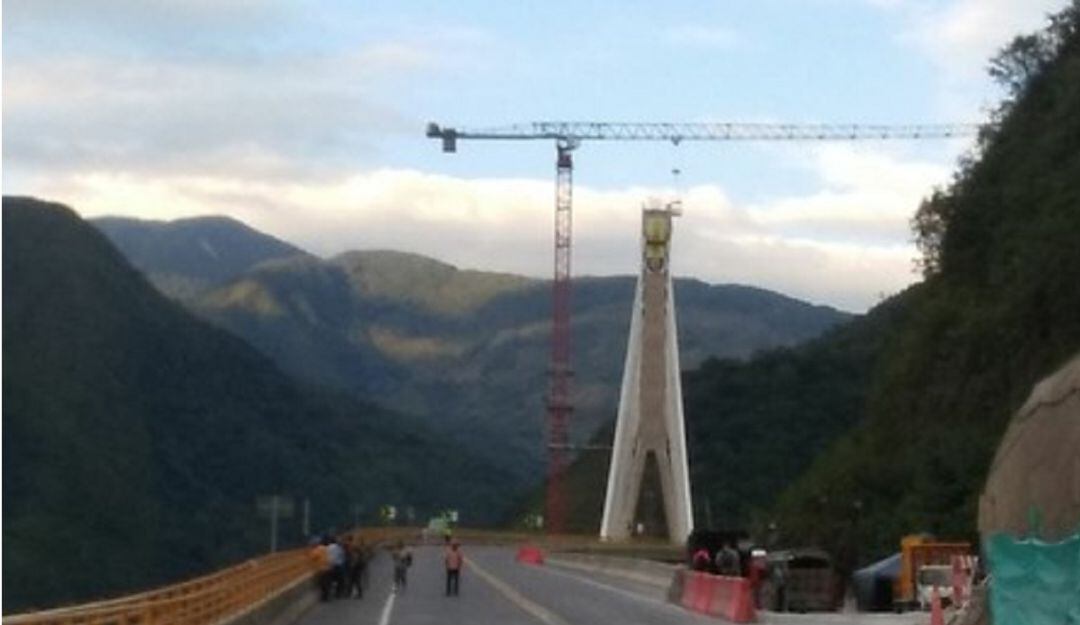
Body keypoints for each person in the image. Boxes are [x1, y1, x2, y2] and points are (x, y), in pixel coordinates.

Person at [310, 537, 333, 601]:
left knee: (323, 584)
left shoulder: (316, 550)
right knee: (328, 583)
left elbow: (313, 558)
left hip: (322, 569)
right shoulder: (325, 548)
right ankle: (328, 596)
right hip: (329, 567)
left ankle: (325, 597)